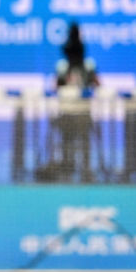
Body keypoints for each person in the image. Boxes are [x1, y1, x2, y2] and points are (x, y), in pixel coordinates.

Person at [54, 21, 99, 182]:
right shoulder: (66, 66)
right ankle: (80, 170)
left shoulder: (82, 66)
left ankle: (76, 169)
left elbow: (55, 86)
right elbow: (98, 84)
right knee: (73, 140)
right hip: (72, 114)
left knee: (72, 140)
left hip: (78, 114)